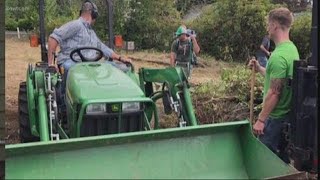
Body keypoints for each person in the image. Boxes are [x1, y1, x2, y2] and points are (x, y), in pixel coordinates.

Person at [47, 0, 131, 110]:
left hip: (90, 64)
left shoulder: (91, 33)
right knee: (69, 68)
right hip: (72, 62)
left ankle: (113, 104)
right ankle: (64, 106)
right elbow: (54, 38)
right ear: (93, 13)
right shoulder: (76, 25)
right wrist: (50, 63)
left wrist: (120, 58)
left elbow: (103, 48)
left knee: (117, 68)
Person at [249, 7, 300, 163]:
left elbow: (274, 92)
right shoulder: (292, 50)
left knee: (264, 162)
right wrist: (259, 69)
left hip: (274, 120)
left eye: (268, 24)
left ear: (275, 25)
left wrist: (261, 120)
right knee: (280, 162)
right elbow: (280, 81)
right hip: (286, 118)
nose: (267, 28)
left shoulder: (278, 56)